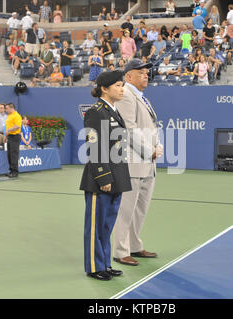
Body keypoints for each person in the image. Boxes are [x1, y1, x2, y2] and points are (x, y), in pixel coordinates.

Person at [80, 70, 131, 281]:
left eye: (122, 85)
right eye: (118, 85)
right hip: (101, 179)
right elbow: (94, 146)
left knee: (107, 224)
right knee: (95, 226)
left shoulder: (113, 111)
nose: (122, 89)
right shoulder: (96, 111)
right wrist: (104, 177)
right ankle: (94, 267)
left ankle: (104, 264)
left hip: (116, 176)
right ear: (104, 88)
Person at [113, 59, 163, 267]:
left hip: (147, 164)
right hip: (132, 163)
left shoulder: (142, 97)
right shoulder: (126, 95)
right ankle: (120, 250)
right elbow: (129, 130)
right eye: (140, 72)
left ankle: (134, 245)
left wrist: (157, 146)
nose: (146, 74)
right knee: (126, 210)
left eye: (146, 72)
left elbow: (151, 126)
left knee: (140, 209)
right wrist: (149, 151)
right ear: (128, 76)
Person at [3, 103, 22, 178]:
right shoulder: (9, 116)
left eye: (7, 108)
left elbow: (17, 126)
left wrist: (8, 131)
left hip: (15, 136)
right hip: (10, 137)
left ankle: (15, 172)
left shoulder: (17, 115)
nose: (6, 110)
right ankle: (11, 171)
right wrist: (5, 136)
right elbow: (7, 128)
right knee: (9, 155)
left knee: (14, 154)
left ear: (11, 108)